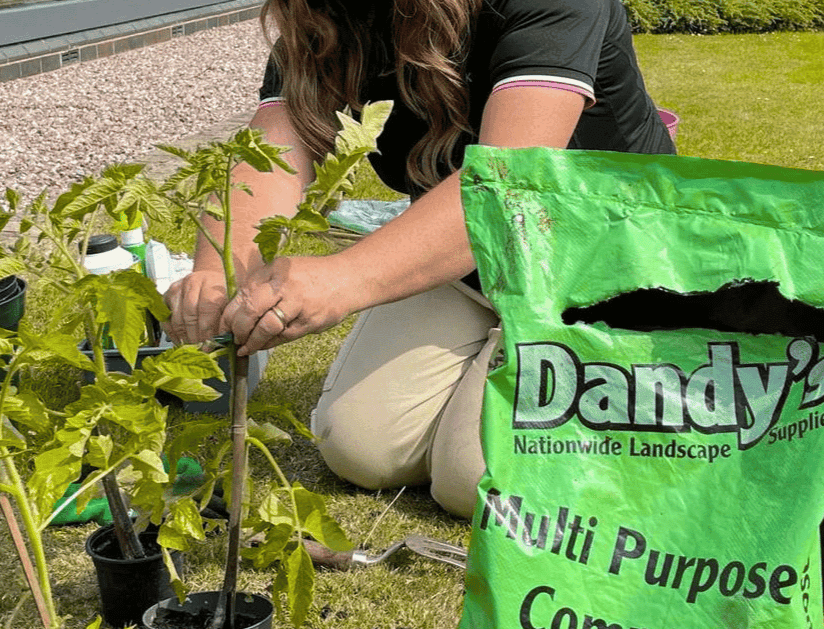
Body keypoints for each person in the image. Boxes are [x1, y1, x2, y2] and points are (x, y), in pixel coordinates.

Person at [162, 0, 676, 520]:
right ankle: (501, 343)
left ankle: (619, 359)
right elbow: (273, 152)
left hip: (601, 260)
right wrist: (215, 269)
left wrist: (343, 279)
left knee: (474, 477)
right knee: (360, 447)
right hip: (465, 260)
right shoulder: (322, 13)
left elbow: (506, 185)